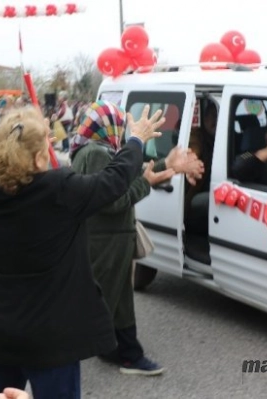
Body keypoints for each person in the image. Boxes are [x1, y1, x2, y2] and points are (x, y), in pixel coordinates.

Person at [0, 105, 166, 398]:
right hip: (48, 335)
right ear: (38, 158)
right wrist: (135, 139)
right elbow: (114, 179)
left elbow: (12, 164)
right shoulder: (59, 190)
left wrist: (28, 130)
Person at [70, 101, 203, 376]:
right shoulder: (96, 153)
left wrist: (168, 164)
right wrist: (147, 184)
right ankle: (124, 353)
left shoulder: (98, 149)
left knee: (116, 298)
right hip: (106, 240)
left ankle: (118, 349)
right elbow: (112, 201)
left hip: (108, 238)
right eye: (119, 122)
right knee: (107, 299)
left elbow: (127, 173)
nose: (121, 129)